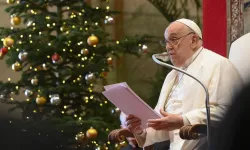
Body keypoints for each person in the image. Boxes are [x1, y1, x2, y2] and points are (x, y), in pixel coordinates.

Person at [124, 18, 243, 150]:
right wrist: (140, 130)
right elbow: (165, 125)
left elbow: (229, 112)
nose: (168, 47)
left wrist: (183, 120)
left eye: (174, 39)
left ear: (193, 40)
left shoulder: (218, 64)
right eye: (166, 42)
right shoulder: (172, 75)